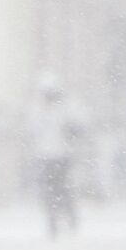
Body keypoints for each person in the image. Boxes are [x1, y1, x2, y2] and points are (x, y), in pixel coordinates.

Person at [27, 81, 83, 238]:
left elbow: (74, 130)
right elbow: (32, 131)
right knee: (50, 190)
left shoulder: (63, 111)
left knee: (62, 189)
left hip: (61, 155)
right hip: (45, 155)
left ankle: (69, 216)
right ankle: (53, 221)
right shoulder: (38, 112)